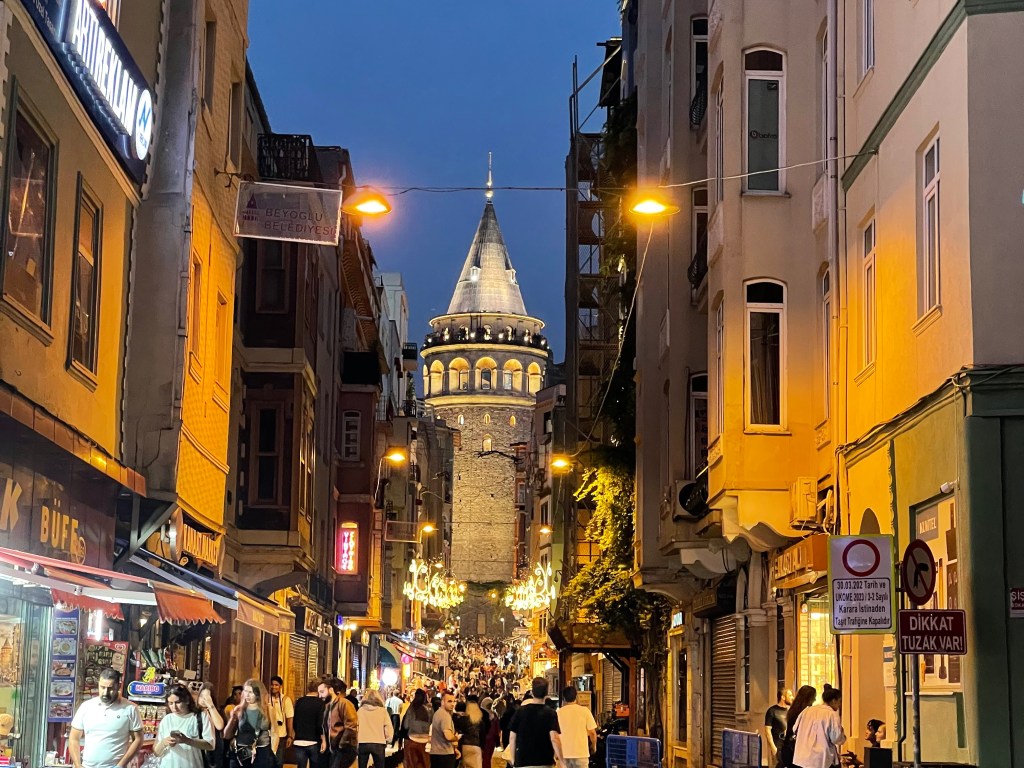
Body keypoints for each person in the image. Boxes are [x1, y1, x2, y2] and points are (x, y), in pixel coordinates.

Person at [68, 668, 144, 768]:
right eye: (102, 687)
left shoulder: (130, 709)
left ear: (118, 686)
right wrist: (78, 765)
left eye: (110, 688)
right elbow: (74, 738)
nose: (105, 692)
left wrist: (121, 765)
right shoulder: (86, 707)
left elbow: (138, 740)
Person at [153, 683, 216, 768]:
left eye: (178, 702)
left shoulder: (200, 717)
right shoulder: (166, 720)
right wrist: (165, 742)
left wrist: (187, 740)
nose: (174, 707)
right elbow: (156, 752)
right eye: (170, 703)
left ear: (187, 700)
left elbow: (210, 745)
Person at [508, 678, 562, 768]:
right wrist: (560, 759)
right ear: (546, 693)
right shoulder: (551, 713)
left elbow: (512, 737)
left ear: (532, 692)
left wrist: (513, 759)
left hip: (523, 761)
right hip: (544, 761)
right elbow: (554, 738)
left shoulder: (520, 712)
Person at [224, 679, 275, 768]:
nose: (247, 695)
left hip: (261, 751)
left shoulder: (268, 709)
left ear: (258, 693)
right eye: (246, 691)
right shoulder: (239, 709)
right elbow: (227, 735)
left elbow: (275, 732)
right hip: (242, 751)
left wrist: (273, 751)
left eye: (250, 692)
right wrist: (232, 718)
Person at [791, 686, 846, 768]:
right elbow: (836, 738)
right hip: (820, 759)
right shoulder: (831, 714)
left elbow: (795, 729)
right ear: (834, 700)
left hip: (801, 758)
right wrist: (843, 736)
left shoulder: (806, 711)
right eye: (839, 701)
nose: (840, 705)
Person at [319, 678, 359, 768]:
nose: (320, 696)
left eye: (322, 692)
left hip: (342, 748)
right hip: (333, 748)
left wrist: (341, 744)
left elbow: (351, 726)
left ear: (331, 690)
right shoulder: (328, 706)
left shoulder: (345, 704)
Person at [776, 686, 816, 768]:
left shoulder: (793, 709)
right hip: (798, 752)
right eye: (813, 697)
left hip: (790, 749)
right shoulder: (805, 713)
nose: (814, 700)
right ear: (808, 698)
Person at [556, 686, 596, 768]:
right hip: (581, 754)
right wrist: (594, 746)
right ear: (576, 697)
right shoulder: (585, 711)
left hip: (563, 754)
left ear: (564, 698)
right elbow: (592, 733)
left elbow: (554, 735)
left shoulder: (558, 713)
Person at [292, 680, 325, 768]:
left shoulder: (299, 701)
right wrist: (323, 740)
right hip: (314, 741)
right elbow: (320, 724)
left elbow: (294, 721)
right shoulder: (320, 703)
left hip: (299, 740)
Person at [357, 689, 393, 768]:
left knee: (362, 765)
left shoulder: (360, 711)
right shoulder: (383, 711)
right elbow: (388, 726)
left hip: (363, 742)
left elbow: (356, 726)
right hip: (379, 742)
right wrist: (388, 739)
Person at [400, 689, 433, 768]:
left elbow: (406, 725)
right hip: (425, 741)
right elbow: (432, 722)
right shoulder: (429, 709)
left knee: (411, 764)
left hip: (412, 740)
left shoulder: (411, 708)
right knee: (425, 764)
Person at [267, 675, 295, 765]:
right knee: (268, 760)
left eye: (276, 685)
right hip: (268, 735)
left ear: (280, 686)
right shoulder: (266, 698)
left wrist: (290, 736)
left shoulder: (285, 700)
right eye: (272, 685)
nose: (274, 687)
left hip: (281, 735)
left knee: (278, 761)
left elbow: (289, 718)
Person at [455, 695, 488, 768]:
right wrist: (482, 748)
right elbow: (483, 736)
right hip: (476, 746)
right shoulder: (480, 722)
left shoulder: (463, 720)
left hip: (465, 746)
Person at [197, 684, 226, 768]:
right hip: (199, 749)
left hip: (214, 751)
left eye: (207, 697)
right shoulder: (195, 713)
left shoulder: (217, 711)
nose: (203, 700)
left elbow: (220, 726)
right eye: (201, 696)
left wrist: (210, 706)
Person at [763, 688, 794, 766]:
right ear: (783, 697)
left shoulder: (791, 711)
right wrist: (773, 748)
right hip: (778, 746)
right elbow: (767, 731)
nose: (792, 697)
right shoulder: (772, 711)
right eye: (790, 695)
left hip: (789, 746)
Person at [429, 692, 459, 768]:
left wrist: (454, 749)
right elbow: (448, 736)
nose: (452, 704)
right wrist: (456, 738)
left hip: (436, 753)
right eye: (449, 701)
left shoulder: (437, 713)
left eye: (454, 701)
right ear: (442, 702)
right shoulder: (445, 716)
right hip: (444, 755)